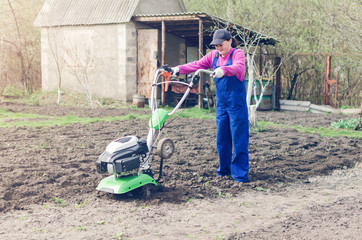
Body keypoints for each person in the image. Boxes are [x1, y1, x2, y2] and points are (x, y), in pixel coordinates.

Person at [172, 29, 249, 182]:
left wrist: (224, 70)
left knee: (239, 138)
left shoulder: (237, 54)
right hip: (221, 105)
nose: (218, 48)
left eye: (221, 44)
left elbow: (238, 67)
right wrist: (179, 69)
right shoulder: (213, 56)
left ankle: (239, 174)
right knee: (222, 139)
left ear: (229, 41)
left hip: (236, 104)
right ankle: (224, 170)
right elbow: (197, 64)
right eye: (216, 45)